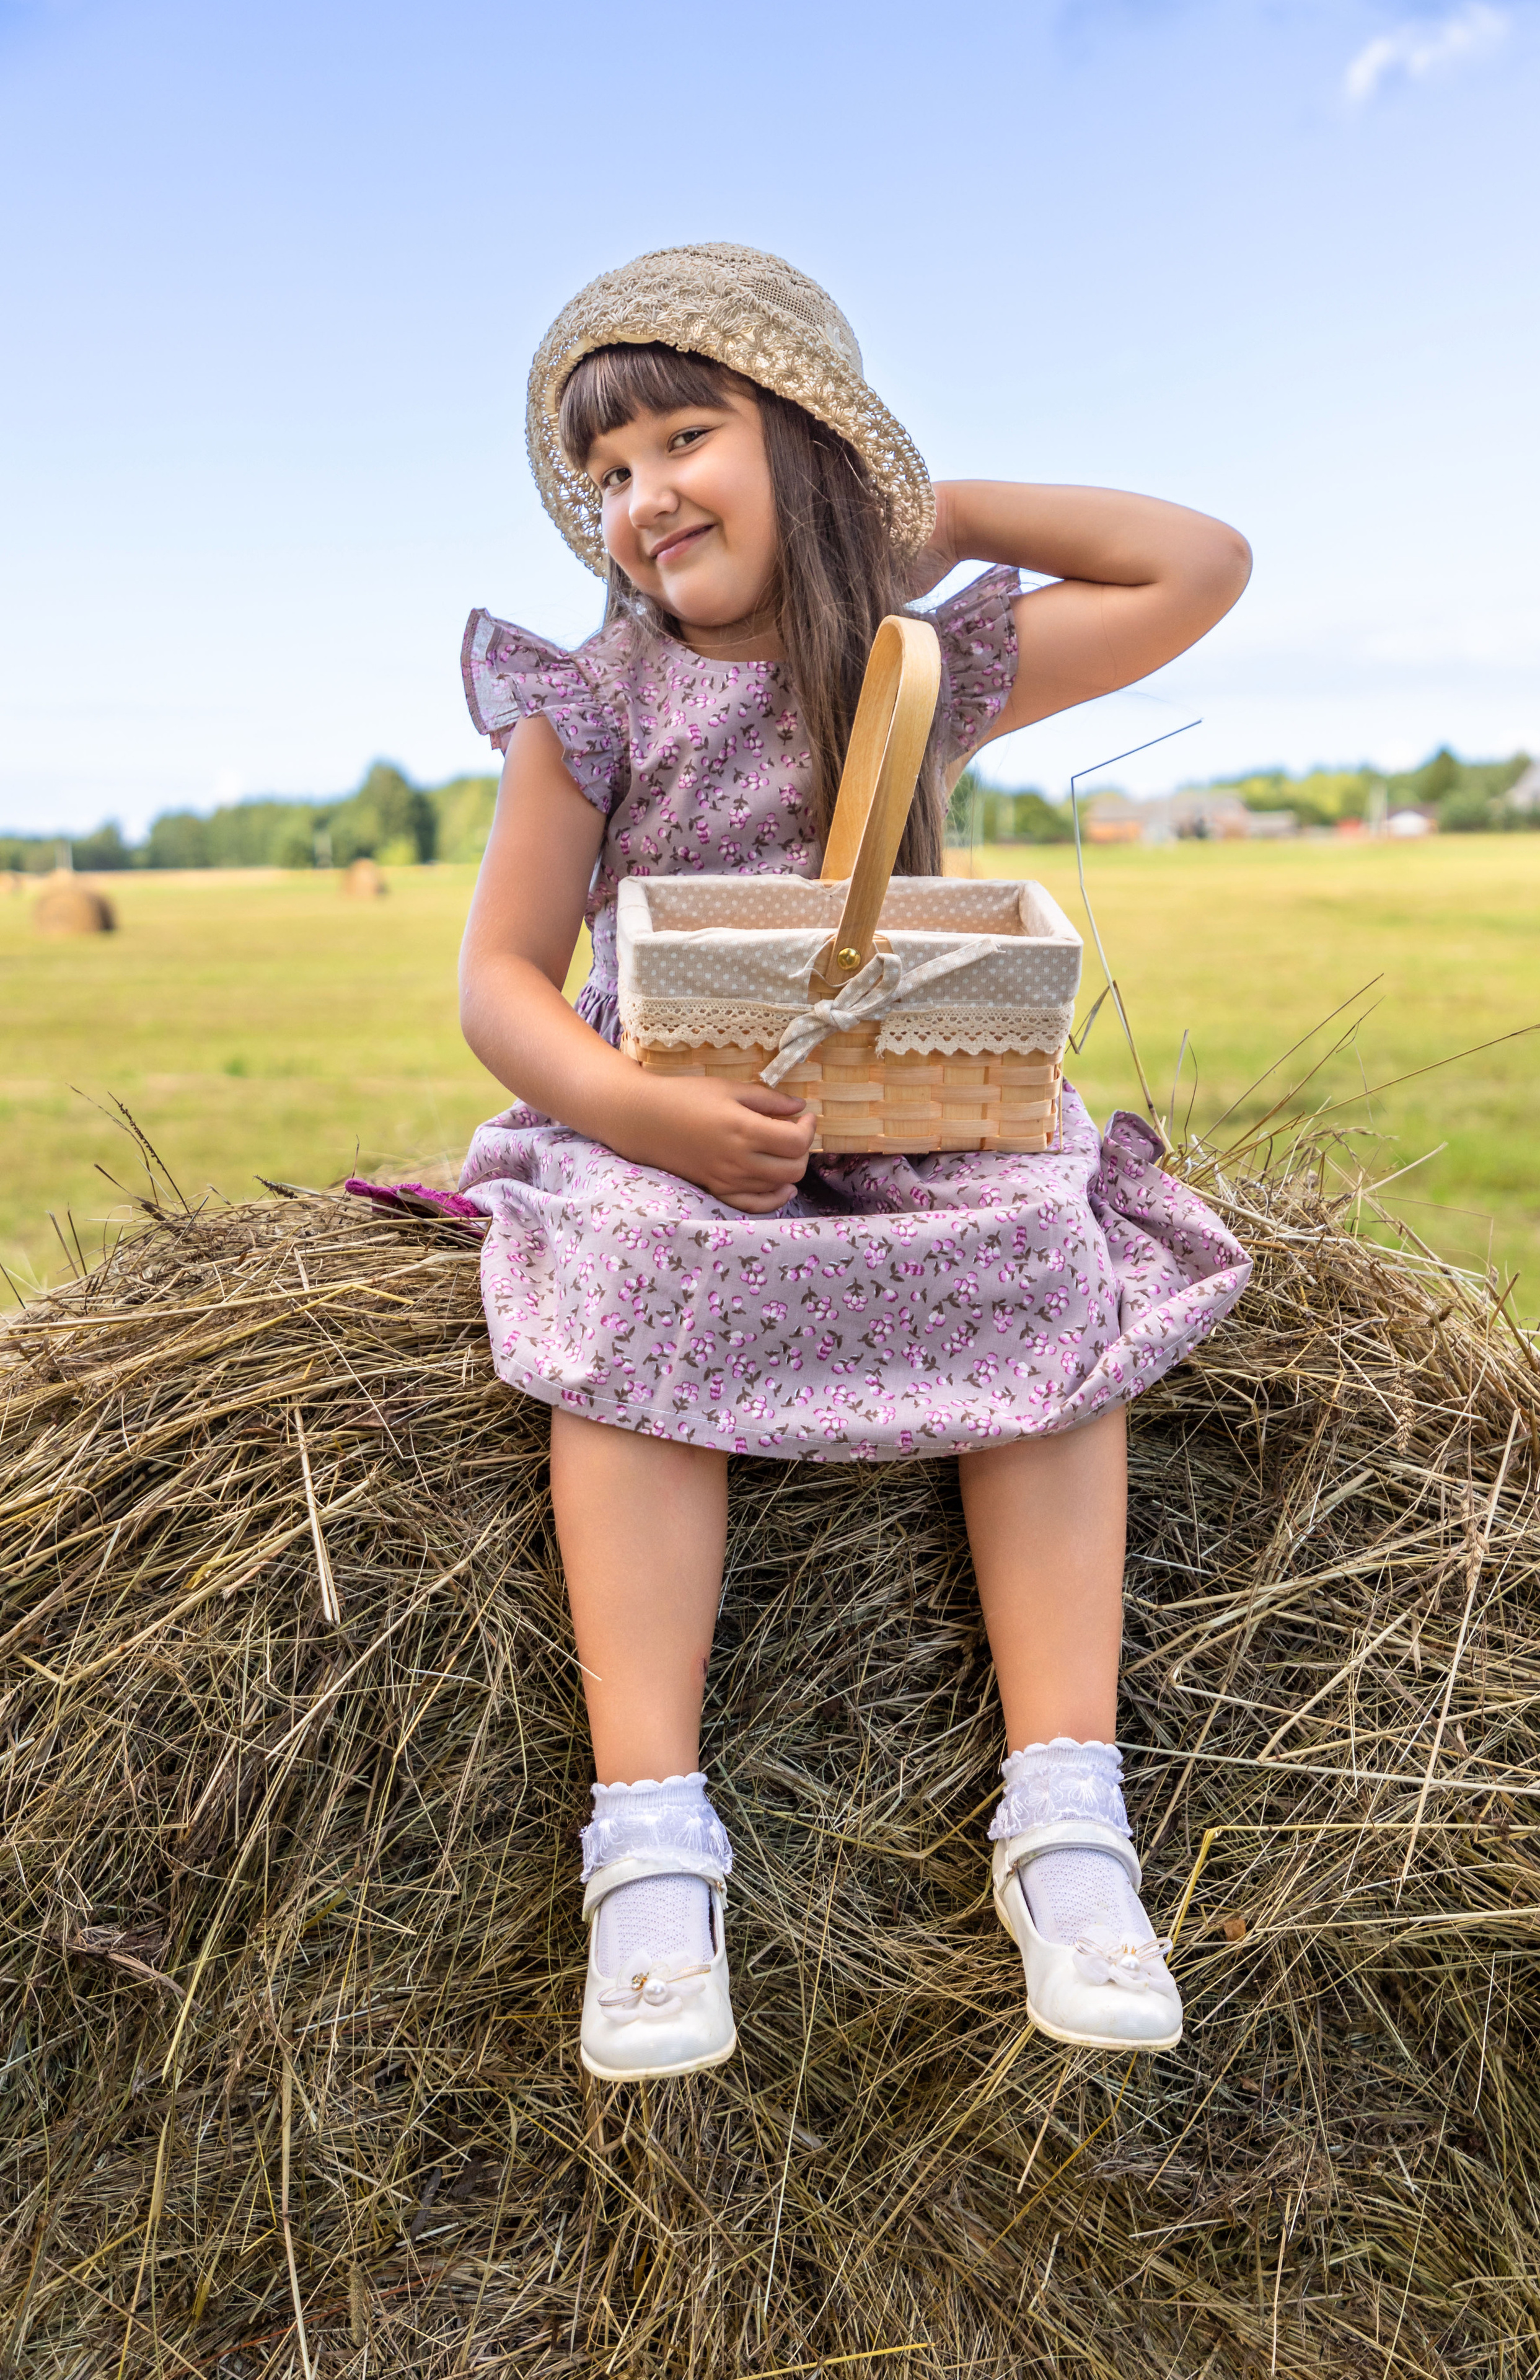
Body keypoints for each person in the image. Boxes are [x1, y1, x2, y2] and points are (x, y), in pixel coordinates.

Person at [453, 245, 1252, 2081]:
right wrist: (642, 1114)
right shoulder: (594, 704)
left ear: (802, 438)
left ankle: (1068, 1816)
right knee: (635, 1283)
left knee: (1044, 1253)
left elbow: (1199, 564)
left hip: (909, 1108)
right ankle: (648, 1840)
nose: (645, 497)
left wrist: (930, 516)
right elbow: (500, 984)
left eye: (683, 436)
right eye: (609, 475)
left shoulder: (918, 662)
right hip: (673, 1119)